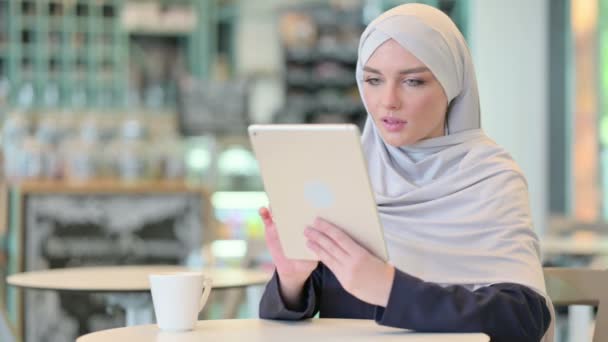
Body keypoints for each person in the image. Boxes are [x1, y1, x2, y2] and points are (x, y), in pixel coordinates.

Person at [258, 3, 552, 342]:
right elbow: (291, 317)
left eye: (412, 81)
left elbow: (523, 318)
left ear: (451, 83)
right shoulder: (350, 174)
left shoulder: (490, 177)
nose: (388, 101)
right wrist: (292, 280)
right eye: (373, 80)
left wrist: (389, 288)